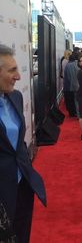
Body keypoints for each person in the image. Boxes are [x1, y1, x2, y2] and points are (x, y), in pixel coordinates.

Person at [0, 44, 46, 242]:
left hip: (22, 186)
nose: (19, 76)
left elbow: (18, 144)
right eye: (12, 70)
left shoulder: (15, 97)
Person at [63, 52, 80, 117]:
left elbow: (68, 77)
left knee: (71, 100)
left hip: (69, 86)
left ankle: (73, 113)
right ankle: (76, 113)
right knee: (75, 100)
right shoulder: (76, 64)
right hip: (74, 86)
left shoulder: (68, 65)